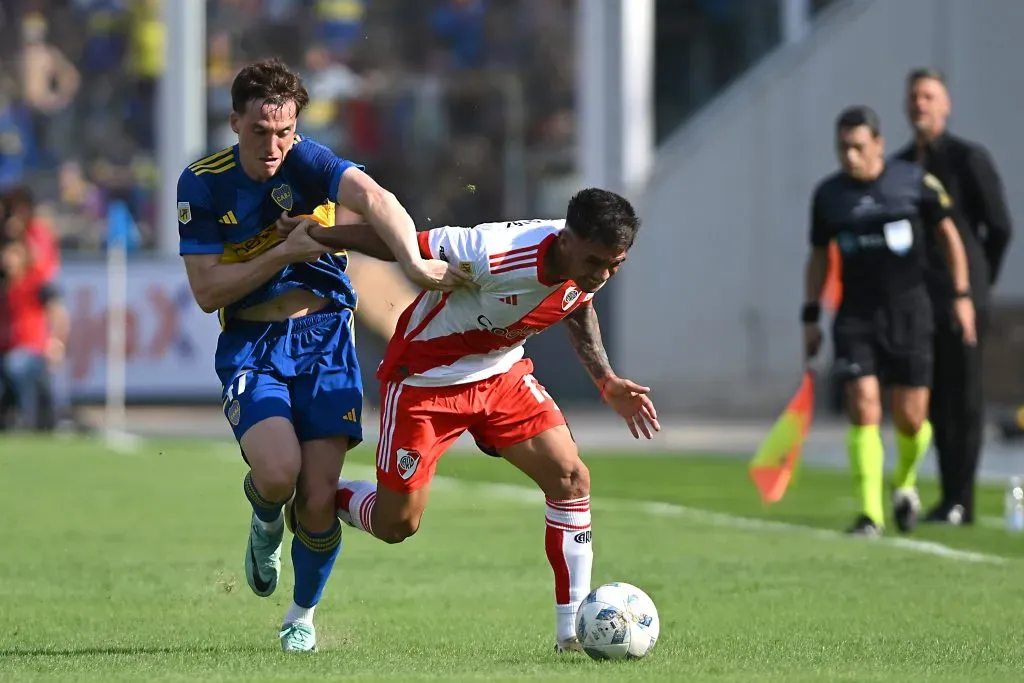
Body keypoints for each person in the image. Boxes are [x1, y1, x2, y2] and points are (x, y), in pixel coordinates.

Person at [277, 188, 661, 653]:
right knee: (398, 524)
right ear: (568, 238)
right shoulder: (493, 252)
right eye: (596, 261)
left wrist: (605, 379)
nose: (602, 275)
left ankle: (571, 636)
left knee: (571, 477)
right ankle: (322, 498)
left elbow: (576, 301)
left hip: (501, 375)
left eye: (614, 265)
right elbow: (404, 242)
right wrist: (320, 234)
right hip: (426, 381)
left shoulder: (584, 271)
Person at [176, 58, 471, 653]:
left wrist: (412, 263)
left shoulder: (309, 162)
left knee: (318, 496)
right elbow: (208, 292)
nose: (274, 145)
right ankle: (263, 521)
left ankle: (300, 617)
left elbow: (378, 198)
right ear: (234, 122)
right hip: (253, 344)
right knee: (279, 475)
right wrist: (284, 253)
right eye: (261, 131)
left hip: (327, 341)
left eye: (285, 131)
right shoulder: (202, 182)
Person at [803, 105, 975, 537]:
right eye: (843, 147)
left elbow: (949, 236)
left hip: (910, 313)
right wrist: (810, 315)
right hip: (856, 316)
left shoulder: (912, 181)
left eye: (858, 146)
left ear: (878, 144)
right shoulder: (828, 196)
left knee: (912, 419)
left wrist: (961, 294)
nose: (850, 156)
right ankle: (870, 515)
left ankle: (904, 484)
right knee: (863, 406)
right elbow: (820, 256)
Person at [894, 68, 1014, 526]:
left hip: (963, 299)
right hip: (918, 301)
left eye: (929, 96)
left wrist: (980, 283)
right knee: (934, 398)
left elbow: (1000, 227)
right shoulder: (902, 165)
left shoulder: (968, 159)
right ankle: (947, 498)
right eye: (914, 97)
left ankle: (962, 500)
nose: (920, 104)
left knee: (963, 398)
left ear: (945, 105)